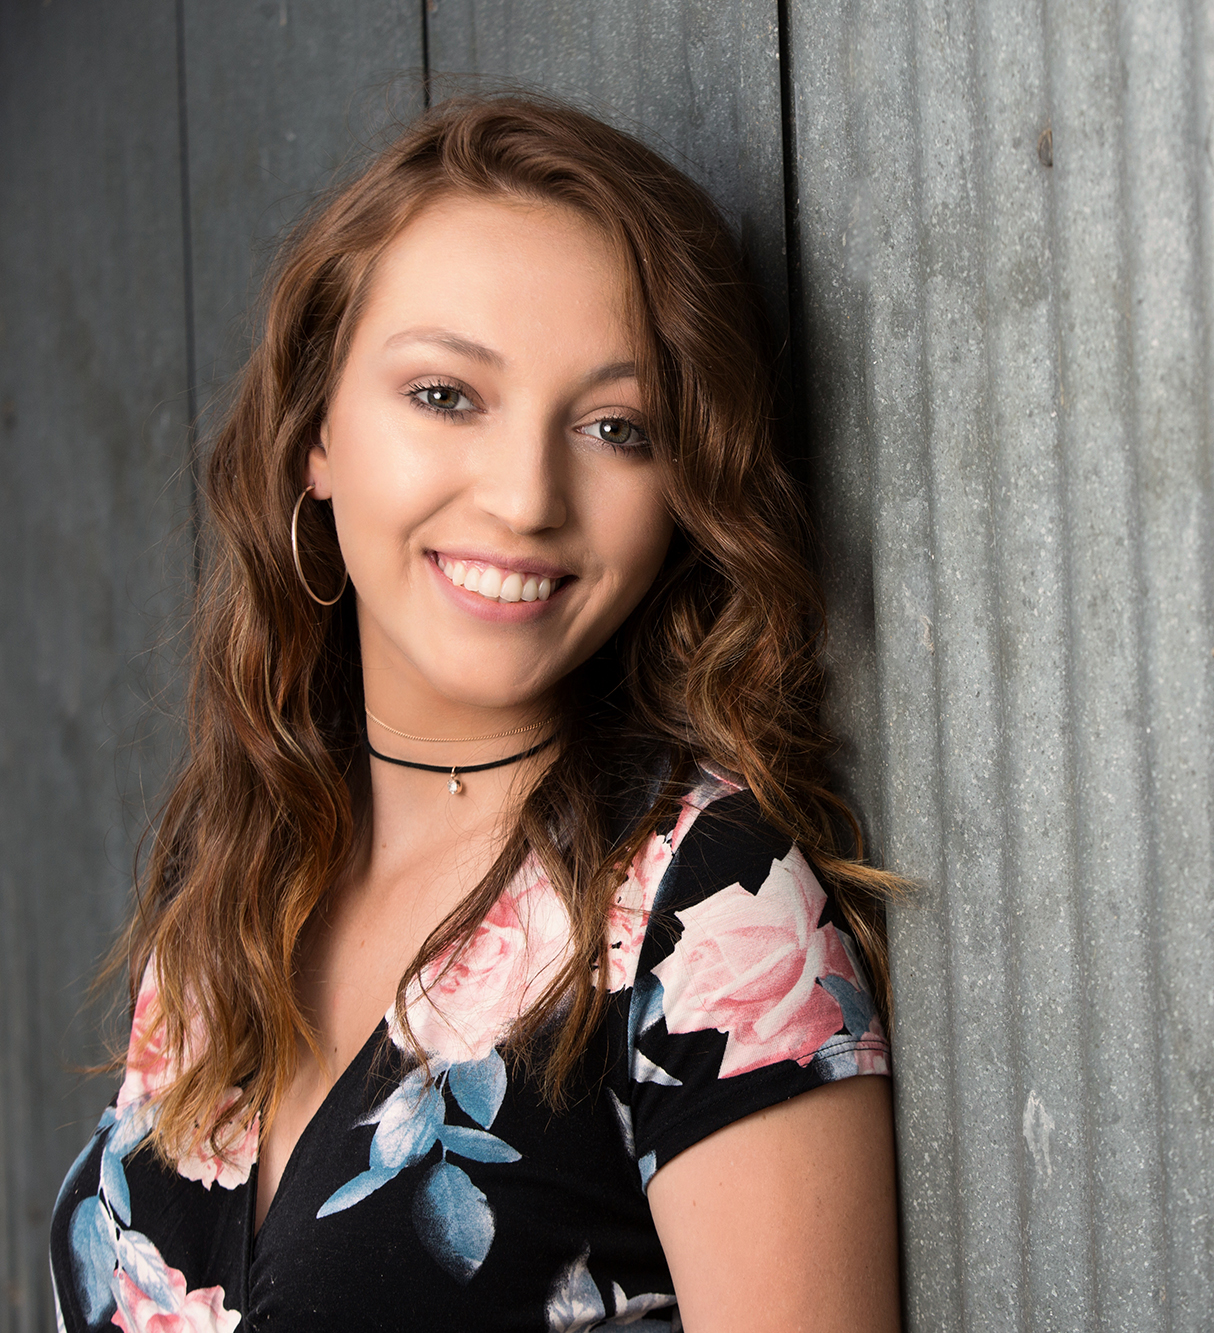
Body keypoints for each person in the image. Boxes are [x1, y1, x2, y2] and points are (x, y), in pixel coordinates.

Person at [49, 94, 900, 1333]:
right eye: (446, 395)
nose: (523, 497)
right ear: (316, 431)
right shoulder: (231, 871)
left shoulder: (709, 909)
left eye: (614, 428)